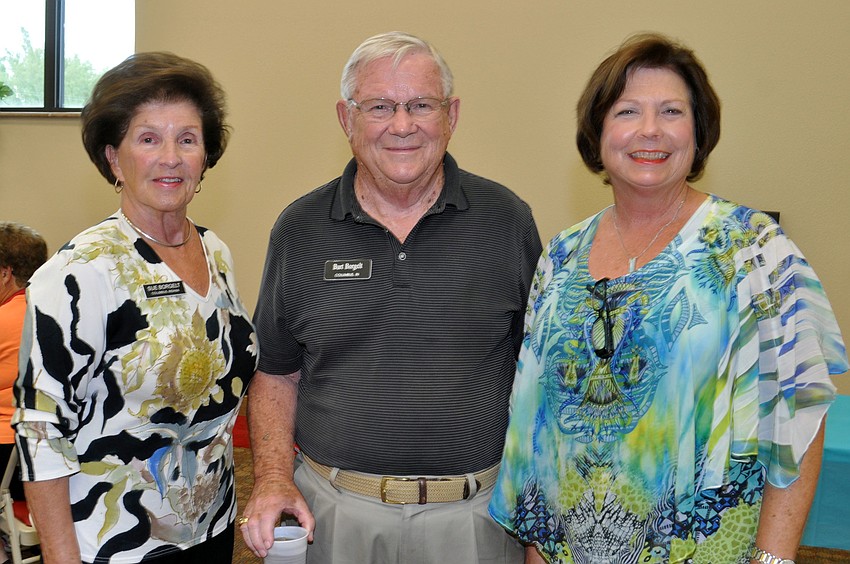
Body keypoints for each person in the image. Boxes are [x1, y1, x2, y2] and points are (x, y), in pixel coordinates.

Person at [488, 33, 848, 564]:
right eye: (628, 111)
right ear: (598, 133)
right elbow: (536, 419)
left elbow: (800, 412)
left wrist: (773, 559)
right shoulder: (562, 255)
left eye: (672, 111)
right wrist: (538, 547)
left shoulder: (750, 250)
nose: (650, 130)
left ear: (698, 134)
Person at [240, 31, 542, 563]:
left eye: (421, 105)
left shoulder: (507, 221)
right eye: (380, 106)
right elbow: (275, 371)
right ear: (346, 118)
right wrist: (270, 479)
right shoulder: (301, 228)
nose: (402, 125)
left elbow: (540, 372)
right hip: (335, 517)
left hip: (475, 518)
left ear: (451, 115)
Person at [12, 52, 258, 563]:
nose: (171, 157)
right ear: (113, 159)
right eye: (148, 138)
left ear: (206, 156)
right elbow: (41, 430)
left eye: (187, 139)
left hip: (210, 529)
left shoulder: (216, 251)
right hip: (115, 544)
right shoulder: (79, 273)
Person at [0, 221, 47, 502]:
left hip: (7, 455)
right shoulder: (53, 313)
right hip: (42, 456)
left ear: (6, 273)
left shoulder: (6, 319)